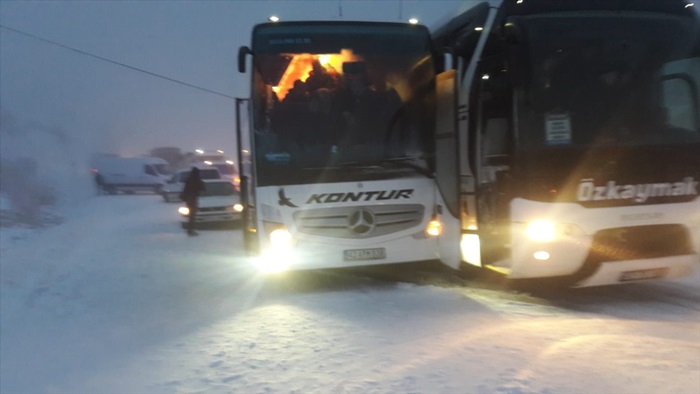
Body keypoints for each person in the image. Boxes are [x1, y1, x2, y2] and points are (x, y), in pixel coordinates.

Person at [180, 167, 205, 236]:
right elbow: (202, 188)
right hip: (193, 199)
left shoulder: (188, 180)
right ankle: (191, 230)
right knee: (193, 215)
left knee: (191, 215)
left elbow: (185, 189)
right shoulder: (197, 180)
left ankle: (190, 229)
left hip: (189, 199)